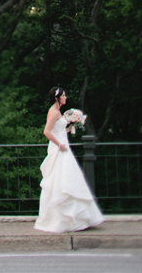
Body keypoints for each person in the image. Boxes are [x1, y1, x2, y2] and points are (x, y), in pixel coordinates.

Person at [34, 86, 104, 233]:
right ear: (57, 98)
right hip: (60, 148)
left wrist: (72, 126)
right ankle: (61, 220)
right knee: (60, 181)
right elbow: (47, 132)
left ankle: (75, 219)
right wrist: (59, 145)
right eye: (64, 96)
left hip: (64, 146)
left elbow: (58, 130)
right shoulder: (53, 112)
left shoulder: (58, 112)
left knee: (69, 179)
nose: (66, 98)